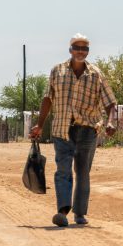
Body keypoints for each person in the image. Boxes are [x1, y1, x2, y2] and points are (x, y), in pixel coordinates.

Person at [30, 34, 117, 228]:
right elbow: (47, 99)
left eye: (84, 48)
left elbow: (111, 103)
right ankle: (62, 211)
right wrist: (39, 125)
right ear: (70, 50)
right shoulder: (57, 71)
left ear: (88, 52)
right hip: (62, 129)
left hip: (87, 129)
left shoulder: (95, 74)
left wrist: (111, 122)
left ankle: (80, 213)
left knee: (82, 171)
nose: (80, 51)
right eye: (77, 47)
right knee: (63, 170)